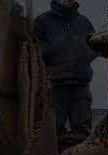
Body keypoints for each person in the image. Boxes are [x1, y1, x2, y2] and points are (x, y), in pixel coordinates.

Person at [33, 0, 97, 139]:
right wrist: (54, 52)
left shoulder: (84, 22)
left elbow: (96, 45)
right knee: (54, 129)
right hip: (54, 83)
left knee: (83, 129)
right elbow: (35, 48)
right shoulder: (42, 21)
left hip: (81, 83)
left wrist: (83, 57)